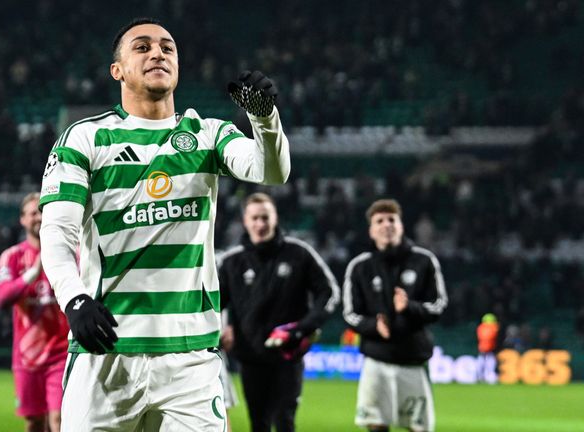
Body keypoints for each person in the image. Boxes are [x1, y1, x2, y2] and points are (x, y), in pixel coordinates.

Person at [38, 17, 290, 431]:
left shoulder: (208, 134)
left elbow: (271, 170)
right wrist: (75, 300)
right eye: (142, 47)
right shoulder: (85, 138)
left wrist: (265, 120)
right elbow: (57, 233)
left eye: (167, 47)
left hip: (190, 358)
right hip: (107, 348)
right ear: (117, 70)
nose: (158, 52)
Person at [217, 192, 339, 432]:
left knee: (284, 421)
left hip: (288, 356)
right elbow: (213, 305)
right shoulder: (232, 262)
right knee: (258, 424)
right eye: (255, 218)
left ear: (275, 218)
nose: (260, 224)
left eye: (265, 217)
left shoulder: (299, 253)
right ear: (245, 221)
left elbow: (329, 292)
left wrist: (303, 328)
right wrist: (219, 332)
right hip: (250, 357)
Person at [343, 199, 448, 432]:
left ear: (401, 225)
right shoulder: (359, 267)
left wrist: (410, 307)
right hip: (376, 362)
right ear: (371, 230)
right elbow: (350, 313)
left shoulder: (424, 261)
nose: (386, 225)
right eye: (379, 221)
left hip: (413, 361)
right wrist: (373, 326)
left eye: (392, 219)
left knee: (418, 428)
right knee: (375, 426)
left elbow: (439, 305)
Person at [0, 192, 68, 432]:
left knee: (58, 421)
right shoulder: (13, 256)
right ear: (23, 220)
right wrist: (32, 273)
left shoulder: (69, 254)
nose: (39, 216)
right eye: (33, 212)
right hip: (27, 357)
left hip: (61, 354)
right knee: (34, 422)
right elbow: (1, 298)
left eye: (43, 210)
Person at [476, 313, 499, 382]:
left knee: (483, 362)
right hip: (488, 349)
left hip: (483, 349)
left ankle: (481, 376)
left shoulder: (480, 327)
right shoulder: (493, 328)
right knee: (489, 363)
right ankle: (487, 376)